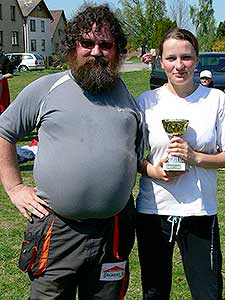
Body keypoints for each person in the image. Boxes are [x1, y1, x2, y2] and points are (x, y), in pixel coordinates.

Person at [0, 5, 145, 300]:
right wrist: (15, 188)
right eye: (87, 43)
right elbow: (4, 132)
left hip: (113, 231)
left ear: (118, 51)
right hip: (57, 231)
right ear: (72, 46)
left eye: (105, 45)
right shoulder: (47, 87)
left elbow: (137, 154)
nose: (95, 52)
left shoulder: (129, 97)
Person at [136, 28, 224, 300]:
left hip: (199, 210)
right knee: (154, 292)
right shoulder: (146, 101)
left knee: (208, 293)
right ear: (160, 61)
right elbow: (133, 156)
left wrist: (195, 157)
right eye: (171, 58)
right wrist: (153, 170)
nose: (179, 65)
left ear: (196, 60)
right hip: (154, 210)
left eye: (186, 57)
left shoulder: (217, 100)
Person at [0, 49, 13, 113]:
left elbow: (10, 74)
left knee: (3, 108)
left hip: (2, 85)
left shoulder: (4, 59)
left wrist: (2, 77)